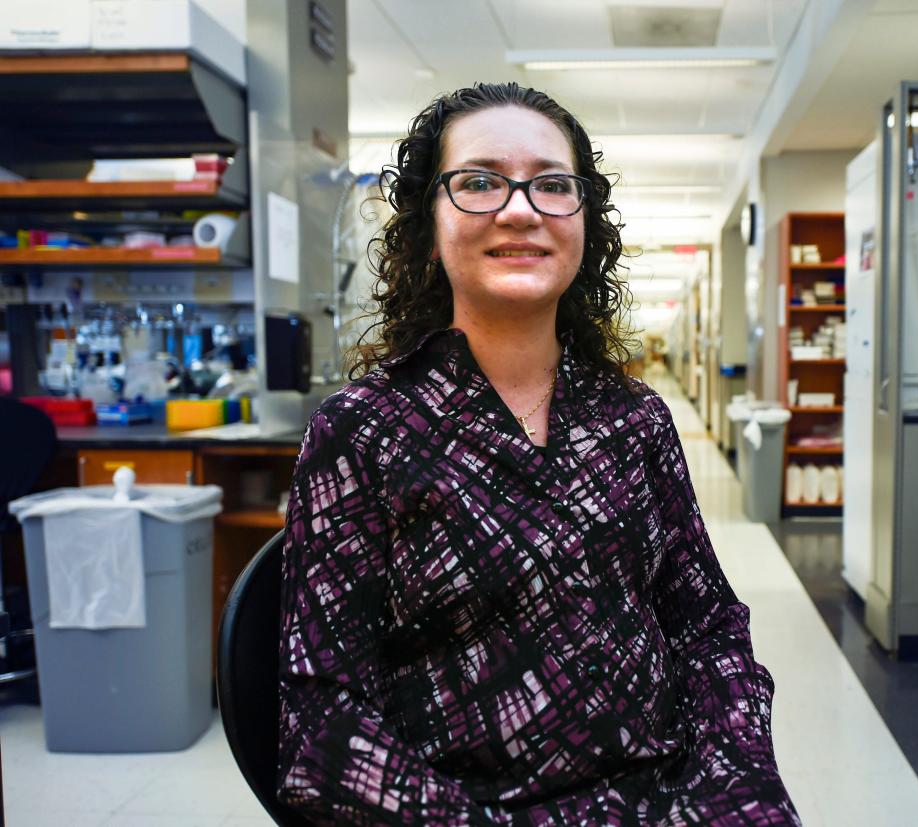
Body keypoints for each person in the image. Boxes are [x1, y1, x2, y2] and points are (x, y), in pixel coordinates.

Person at [277, 82, 800, 826]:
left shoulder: (632, 420)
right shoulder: (366, 433)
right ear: (428, 225)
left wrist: (737, 789)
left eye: (553, 184)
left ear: (584, 224)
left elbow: (708, 626)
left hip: (662, 799)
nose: (520, 208)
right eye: (480, 182)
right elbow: (321, 724)